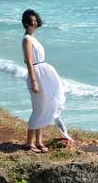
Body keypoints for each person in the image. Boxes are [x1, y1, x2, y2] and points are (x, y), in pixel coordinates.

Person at [21, 9, 73, 153]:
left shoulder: (33, 38)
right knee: (38, 109)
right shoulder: (27, 39)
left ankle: (38, 141)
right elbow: (29, 62)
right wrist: (34, 81)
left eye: (36, 19)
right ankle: (28, 143)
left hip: (42, 75)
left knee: (44, 108)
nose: (35, 22)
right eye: (32, 20)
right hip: (36, 76)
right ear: (26, 23)